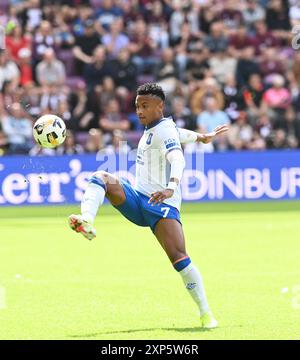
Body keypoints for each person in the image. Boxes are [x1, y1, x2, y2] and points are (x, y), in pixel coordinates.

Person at [68, 83, 228, 329]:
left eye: (145, 106)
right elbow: (178, 132)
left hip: (161, 205)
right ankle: (86, 220)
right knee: (100, 177)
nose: (139, 111)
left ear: (159, 106)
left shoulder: (164, 132)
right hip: (138, 197)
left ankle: (206, 313)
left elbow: (177, 158)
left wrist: (171, 187)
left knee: (179, 259)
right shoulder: (158, 128)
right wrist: (200, 136)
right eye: (137, 106)